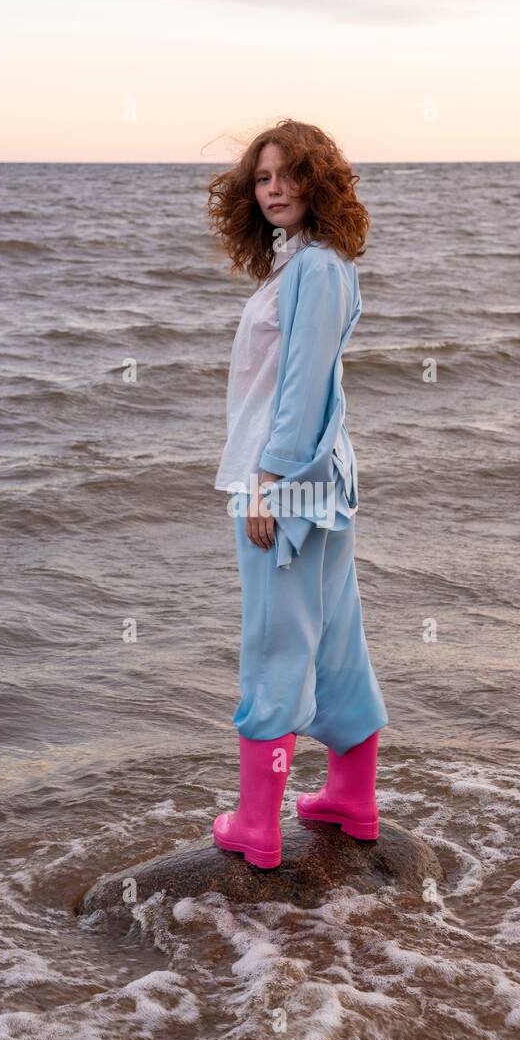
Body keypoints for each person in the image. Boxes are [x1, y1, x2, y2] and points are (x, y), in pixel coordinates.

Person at [206, 119, 389, 869]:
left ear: (319, 182)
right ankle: (352, 797)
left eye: (287, 175)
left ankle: (258, 825)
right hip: (324, 487)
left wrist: (269, 482)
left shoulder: (314, 270)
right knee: (336, 641)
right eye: (262, 177)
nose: (273, 188)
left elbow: (303, 384)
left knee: (274, 648)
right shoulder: (310, 264)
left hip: (291, 489)